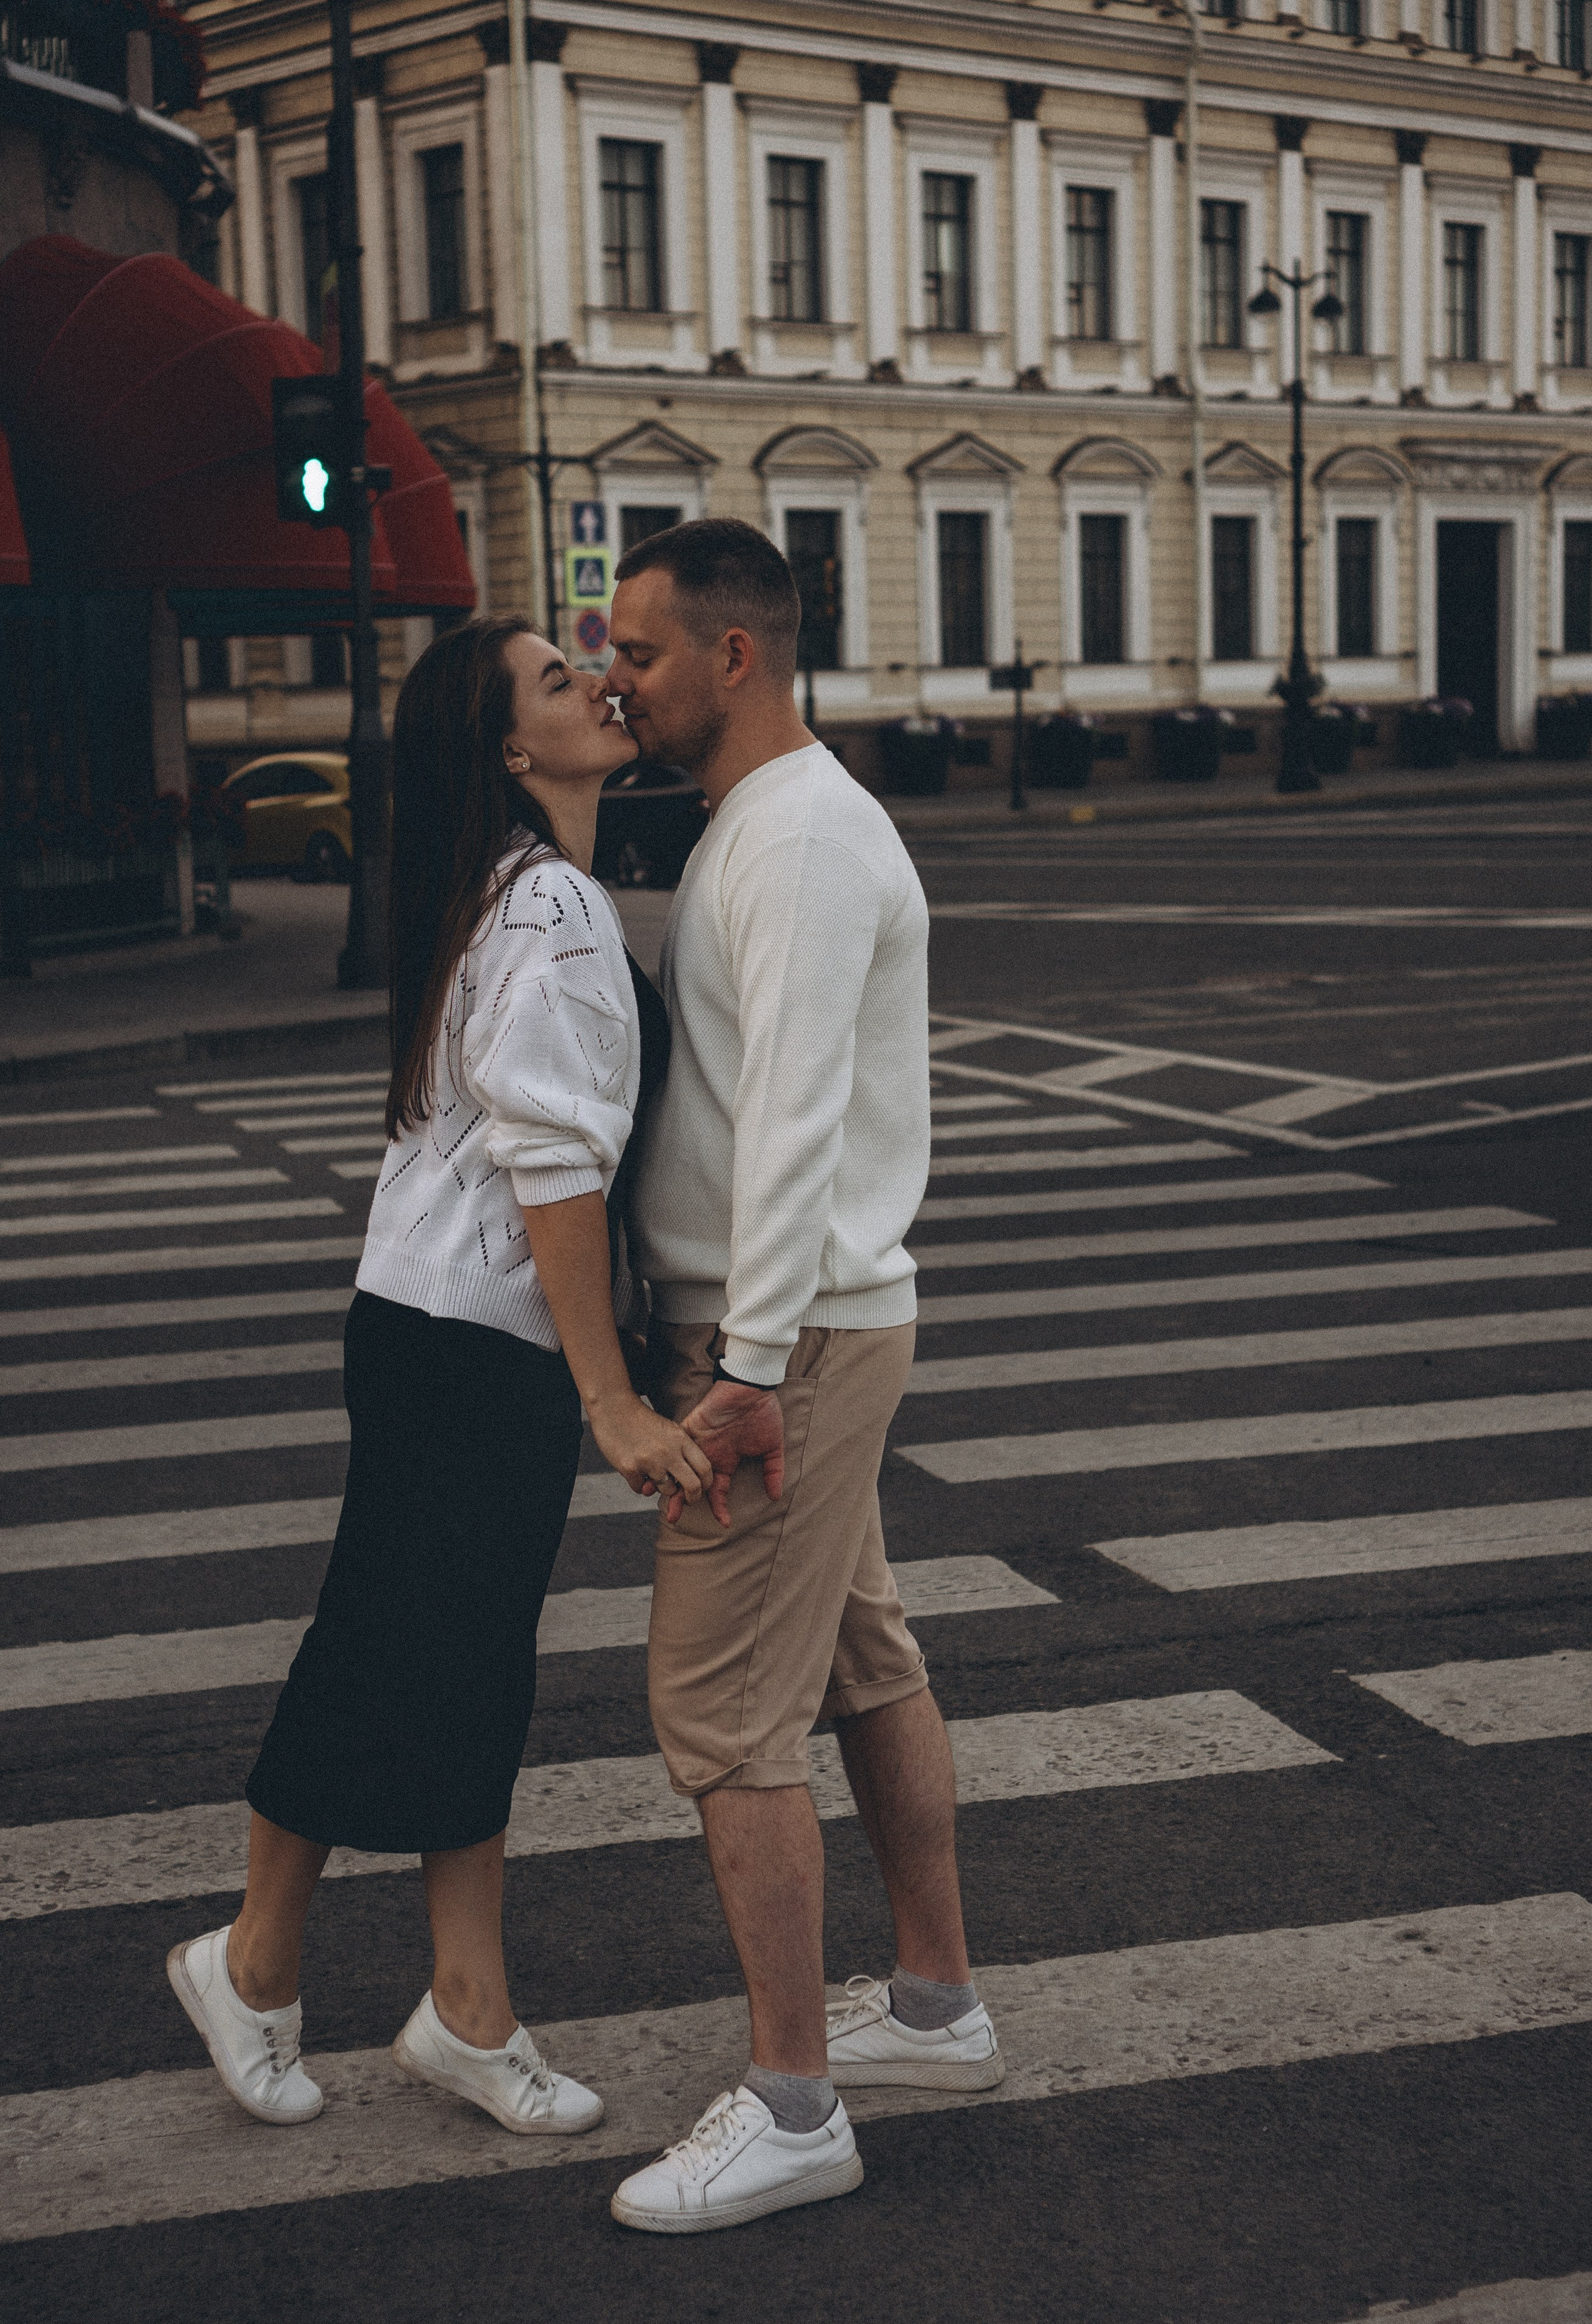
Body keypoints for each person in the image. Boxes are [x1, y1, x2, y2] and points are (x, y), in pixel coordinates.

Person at [167, 616, 712, 2137]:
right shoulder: (548, 912)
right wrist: (611, 1396)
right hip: (476, 1340)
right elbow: (550, 1176)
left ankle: (431, 2001)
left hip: (434, 1328)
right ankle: (270, 1963)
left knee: (445, 1657)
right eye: (556, 680)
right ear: (511, 755)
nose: (593, 680)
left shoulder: (518, 893)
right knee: (411, 1651)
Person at [602, 521, 1002, 2236]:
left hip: (792, 1340)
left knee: (716, 1710)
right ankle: (934, 2006)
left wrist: (745, 1369)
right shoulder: (756, 827)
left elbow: (793, 1132)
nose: (616, 674)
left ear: (733, 657)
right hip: (804, 1325)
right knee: (860, 1656)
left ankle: (791, 2106)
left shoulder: (807, 842)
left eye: (638, 649)